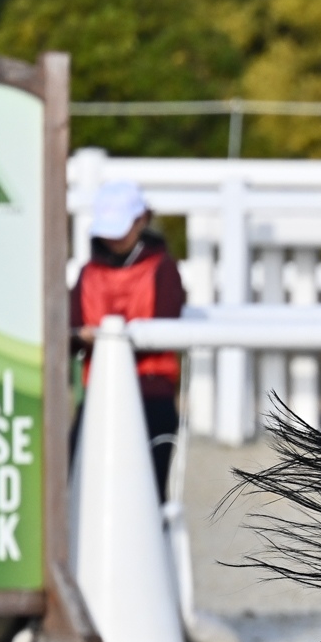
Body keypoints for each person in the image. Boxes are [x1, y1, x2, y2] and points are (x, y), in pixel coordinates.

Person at [74, 179, 187, 500]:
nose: (114, 238)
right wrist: (82, 336)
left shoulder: (163, 269)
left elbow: (166, 323)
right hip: (99, 393)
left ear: (141, 220)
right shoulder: (88, 272)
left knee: (149, 495)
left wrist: (104, 338)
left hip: (151, 393)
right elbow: (69, 330)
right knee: (79, 485)